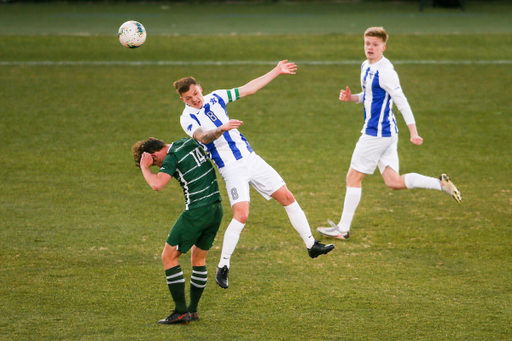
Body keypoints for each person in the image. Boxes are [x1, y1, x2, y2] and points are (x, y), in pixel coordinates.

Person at [174, 60, 335, 289]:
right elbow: (203, 137)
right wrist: (222, 128)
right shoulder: (187, 118)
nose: (195, 99)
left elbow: (248, 88)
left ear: (200, 87)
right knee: (242, 214)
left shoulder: (216, 97)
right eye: (189, 98)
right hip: (231, 168)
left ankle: (311, 245)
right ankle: (224, 265)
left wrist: (277, 71)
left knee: (288, 198)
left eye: (196, 93)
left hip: (251, 159)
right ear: (183, 100)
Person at [318, 27, 462, 240]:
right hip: (387, 133)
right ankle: (440, 184)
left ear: (383, 47)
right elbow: (368, 96)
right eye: (368, 43)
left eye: (375, 45)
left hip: (376, 135)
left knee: (353, 177)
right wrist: (351, 98)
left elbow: (402, 102)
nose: (370, 48)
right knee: (393, 182)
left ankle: (342, 229)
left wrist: (414, 132)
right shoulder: (365, 66)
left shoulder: (386, 72)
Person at [132, 136, 225, 324]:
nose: (159, 166)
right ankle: (193, 311)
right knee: (198, 258)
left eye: (155, 162)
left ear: (154, 154)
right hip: (216, 208)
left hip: (197, 211)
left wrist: (145, 167)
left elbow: (156, 184)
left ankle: (181, 312)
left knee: (168, 257)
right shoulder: (187, 142)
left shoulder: (172, 155)